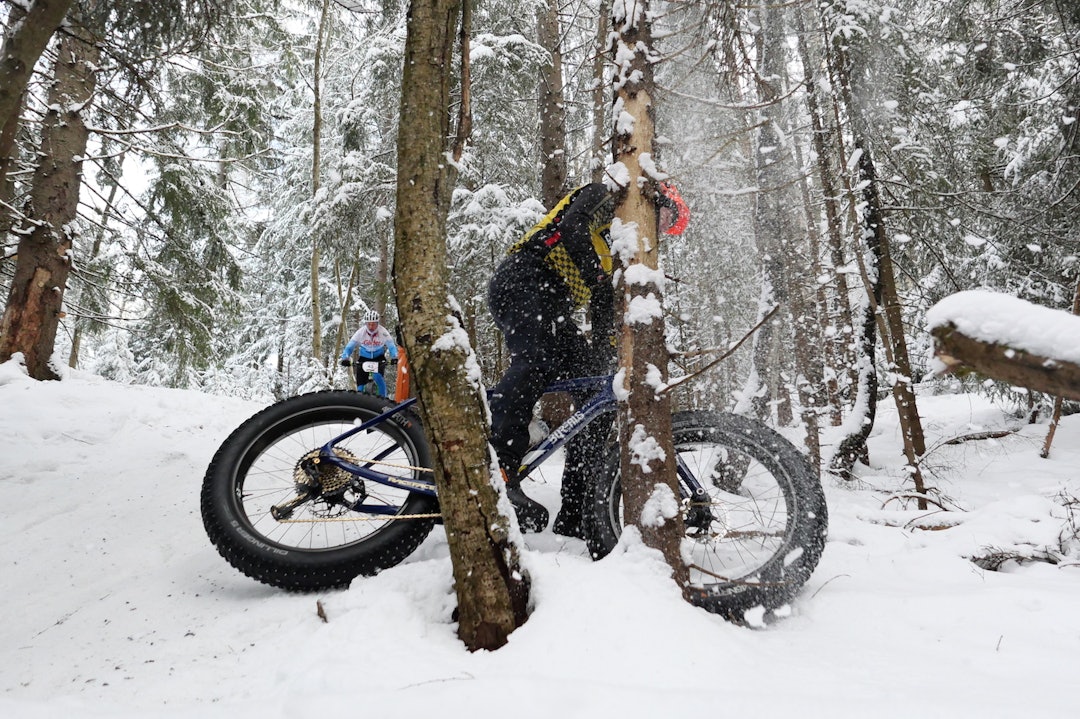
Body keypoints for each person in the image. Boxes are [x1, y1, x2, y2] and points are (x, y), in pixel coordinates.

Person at [487, 181, 689, 535]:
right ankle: (498, 468)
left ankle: (578, 511)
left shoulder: (616, 249)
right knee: (535, 360)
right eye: (666, 217)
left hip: (552, 305)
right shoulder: (606, 195)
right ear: (653, 198)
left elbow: (600, 310)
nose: (661, 228)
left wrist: (611, 360)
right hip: (523, 278)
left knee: (595, 394)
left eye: (668, 229)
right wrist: (599, 278)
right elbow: (572, 226)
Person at [340, 309, 398, 397]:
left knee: (378, 378)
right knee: (360, 385)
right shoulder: (360, 333)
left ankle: (384, 400)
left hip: (378, 357)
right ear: (366, 323)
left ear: (377, 323)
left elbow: (391, 346)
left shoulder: (383, 332)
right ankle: (360, 402)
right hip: (364, 358)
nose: (371, 327)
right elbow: (349, 346)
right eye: (369, 324)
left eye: (373, 324)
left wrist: (395, 356)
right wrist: (345, 357)